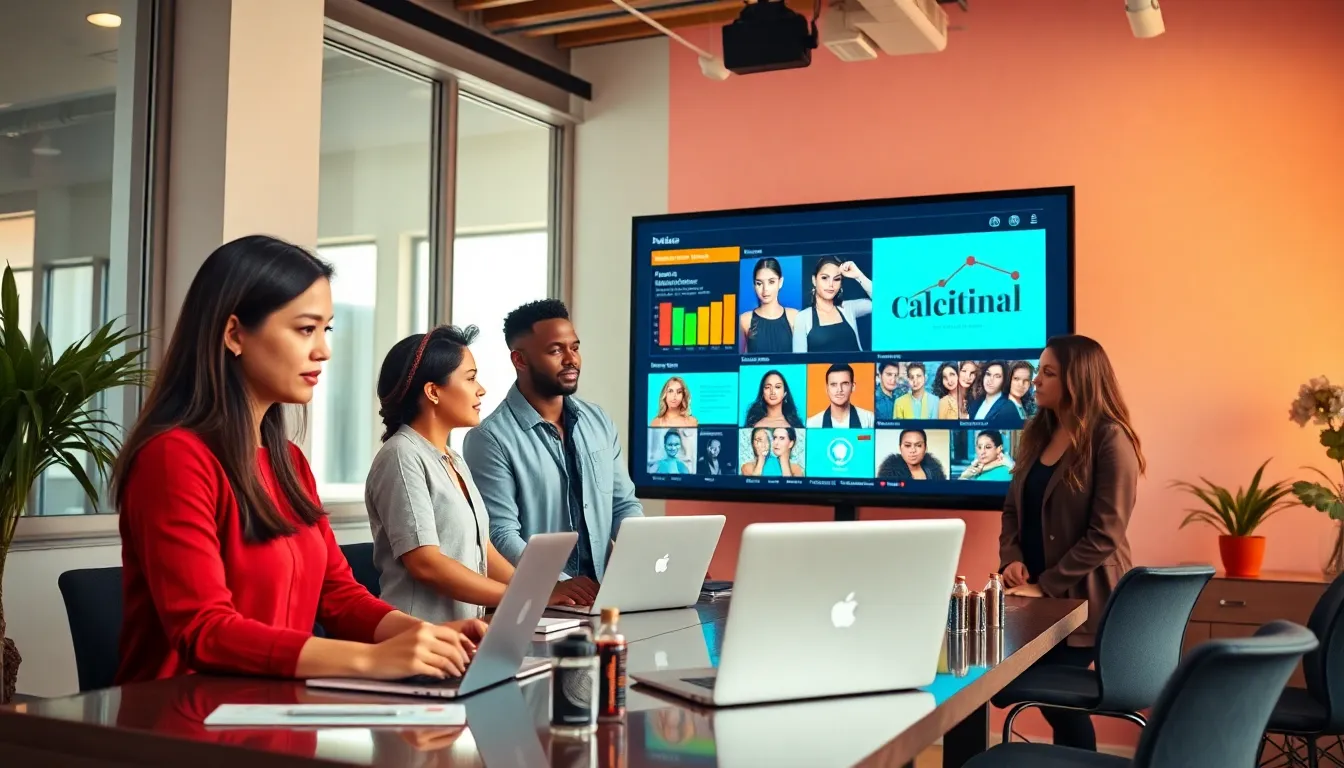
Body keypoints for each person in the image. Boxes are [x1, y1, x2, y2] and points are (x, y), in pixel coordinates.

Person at [111, 235, 486, 686]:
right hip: (184, 724)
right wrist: (371, 660)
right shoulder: (173, 458)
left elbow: (338, 595)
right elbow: (204, 631)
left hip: (278, 713)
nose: (324, 350)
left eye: (325, 330)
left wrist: (426, 636)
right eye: (305, 329)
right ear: (234, 334)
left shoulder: (287, 461)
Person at [365, 326, 593, 625]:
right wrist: (524, 597)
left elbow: (484, 551)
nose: (481, 389)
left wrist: (536, 589)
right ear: (433, 391)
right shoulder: (401, 455)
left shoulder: (453, 459)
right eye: (470, 378)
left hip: (463, 636)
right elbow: (426, 564)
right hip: (419, 636)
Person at [997, 334, 1145, 752]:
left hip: (1086, 601)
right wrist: (1012, 559)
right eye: (1038, 370)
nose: (1035, 380)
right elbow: (1012, 511)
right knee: (1033, 694)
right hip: (1030, 599)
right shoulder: (1035, 433)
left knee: (1057, 700)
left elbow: (1107, 534)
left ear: (1076, 380)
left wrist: (1045, 584)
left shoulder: (1110, 438)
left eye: (1048, 373)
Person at [461, 299, 641, 586]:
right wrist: (557, 583)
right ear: (520, 360)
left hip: (605, 595)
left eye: (575, 347)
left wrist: (657, 561)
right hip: (539, 603)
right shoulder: (489, 439)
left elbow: (623, 505)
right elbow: (499, 534)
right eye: (555, 350)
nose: (571, 359)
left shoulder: (599, 421)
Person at [791, 257, 872, 353]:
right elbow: (799, 362)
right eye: (825, 278)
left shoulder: (848, 308)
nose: (831, 284)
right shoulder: (803, 317)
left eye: (836, 279)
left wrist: (858, 275)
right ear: (814, 280)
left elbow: (884, 302)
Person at [739, 257, 798, 354]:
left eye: (771, 282)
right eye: (759, 283)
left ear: (780, 282)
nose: (765, 289)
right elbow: (741, 362)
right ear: (754, 286)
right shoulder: (744, 320)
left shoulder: (795, 317)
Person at [806, 363, 875, 428]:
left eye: (845, 383)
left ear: (853, 386)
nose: (839, 390)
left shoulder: (869, 420)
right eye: (833, 385)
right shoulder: (812, 424)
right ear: (827, 389)